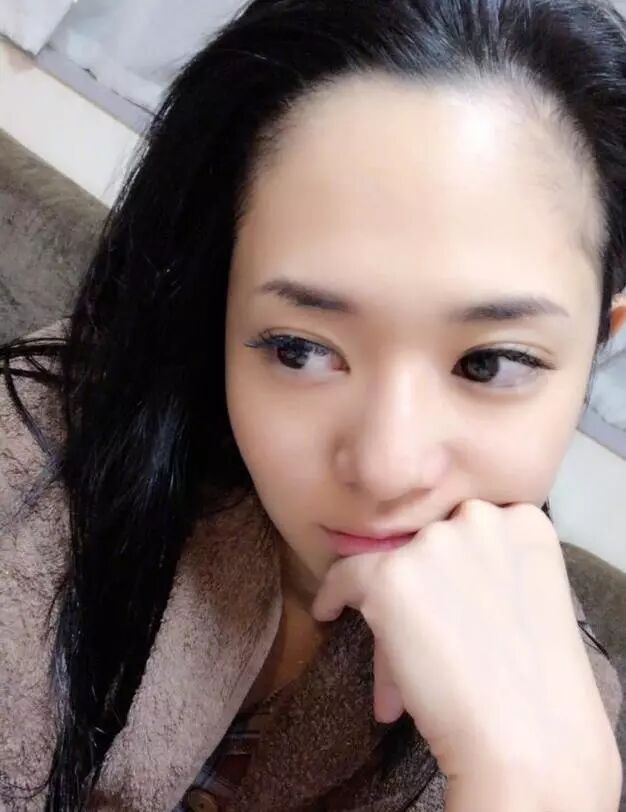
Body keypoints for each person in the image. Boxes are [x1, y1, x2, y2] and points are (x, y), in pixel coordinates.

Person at [1, 0, 625, 809]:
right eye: (299, 349)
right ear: (218, 302)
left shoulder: (570, 718)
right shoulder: (34, 463)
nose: (386, 466)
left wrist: (537, 788)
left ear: (598, 343)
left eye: (489, 362)